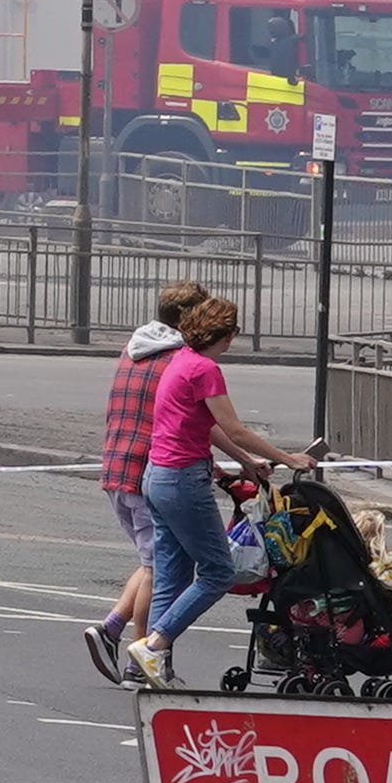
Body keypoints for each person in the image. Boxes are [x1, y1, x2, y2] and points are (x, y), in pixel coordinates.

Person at [129, 293, 285, 689]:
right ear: (222, 333)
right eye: (232, 331)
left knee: (171, 576)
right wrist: (289, 457)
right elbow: (233, 428)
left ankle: (150, 666)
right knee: (218, 571)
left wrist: (246, 462)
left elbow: (208, 427)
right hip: (183, 480)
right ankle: (156, 645)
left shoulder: (179, 362)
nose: (234, 338)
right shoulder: (205, 369)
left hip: (156, 477)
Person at [82, 283, 208, 685]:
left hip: (116, 466)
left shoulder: (134, 348)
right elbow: (193, 419)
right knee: (164, 570)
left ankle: (112, 628)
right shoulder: (177, 361)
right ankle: (143, 660)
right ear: (190, 319)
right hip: (147, 470)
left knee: (152, 562)